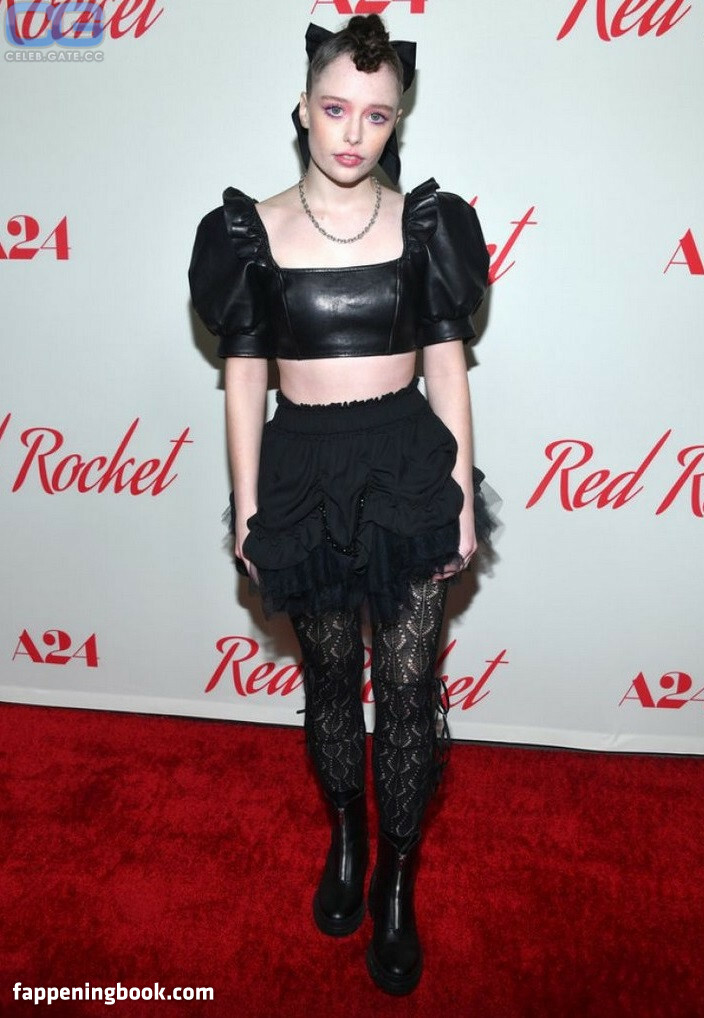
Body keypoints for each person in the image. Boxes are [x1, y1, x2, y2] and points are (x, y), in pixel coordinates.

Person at [188, 14, 499, 996]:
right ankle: (346, 838)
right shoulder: (247, 232)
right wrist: (248, 508)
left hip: (406, 468)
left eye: (376, 114)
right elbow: (244, 377)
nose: (353, 132)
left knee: (405, 691)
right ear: (303, 109)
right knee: (329, 682)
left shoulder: (426, 226)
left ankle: (397, 881)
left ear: (395, 120)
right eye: (335, 109)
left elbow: (447, 368)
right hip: (303, 476)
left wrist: (458, 497)